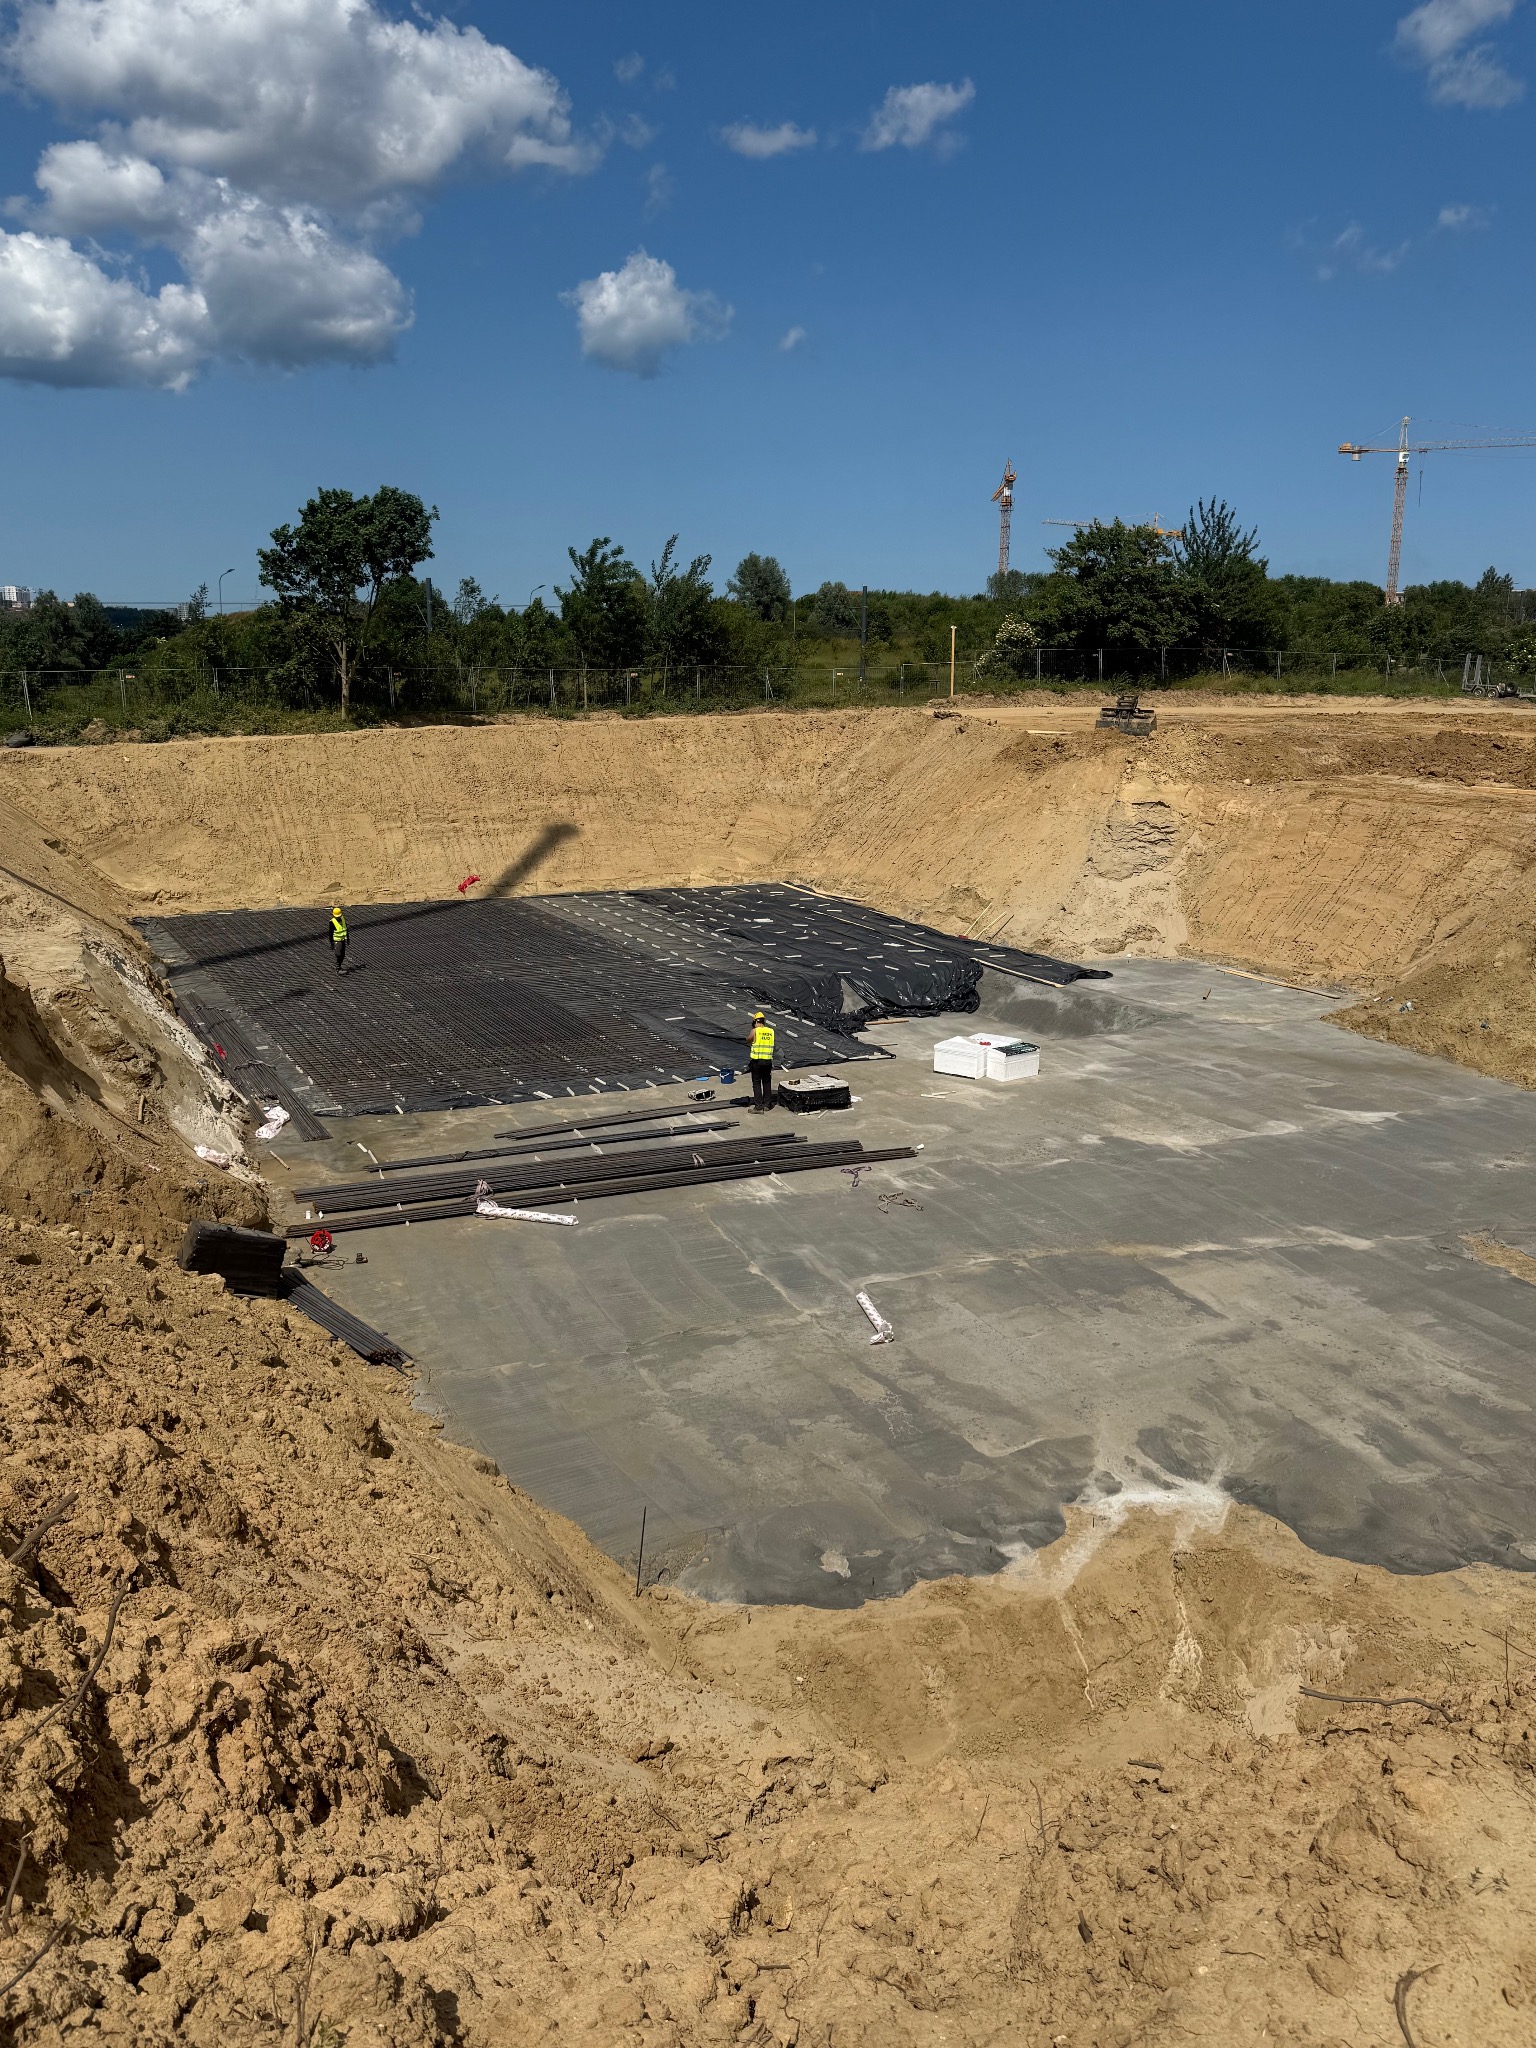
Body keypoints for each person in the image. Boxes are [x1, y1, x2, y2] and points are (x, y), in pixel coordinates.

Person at [747, 1010, 775, 1112]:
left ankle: (758, 1106)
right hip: (768, 1061)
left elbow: (749, 1039)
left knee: (757, 1083)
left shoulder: (755, 1031)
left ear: (755, 1022)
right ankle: (767, 1104)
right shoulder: (771, 1031)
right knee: (767, 1082)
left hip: (757, 1061)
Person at [330, 903, 348, 973]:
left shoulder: (343, 919)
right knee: (338, 954)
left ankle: (339, 966)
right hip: (337, 941)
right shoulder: (332, 922)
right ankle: (338, 968)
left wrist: (347, 938)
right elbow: (330, 933)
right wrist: (332, 943)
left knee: (343, 954)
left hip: (343, 939)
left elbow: (346, 928)